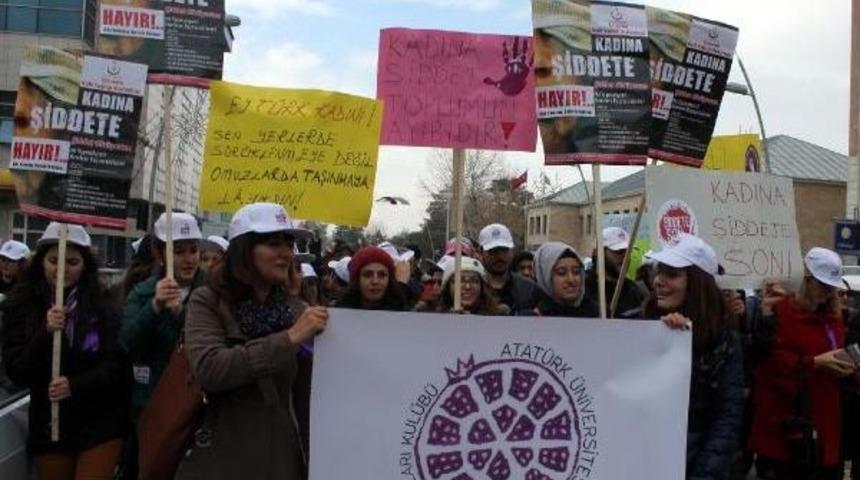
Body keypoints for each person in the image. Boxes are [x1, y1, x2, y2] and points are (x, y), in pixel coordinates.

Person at [175, 202, 328, 479]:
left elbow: (312, 397)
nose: (286, 253)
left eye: (289, 243)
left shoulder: (296, 309)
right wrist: (288, 339)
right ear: (244, 250)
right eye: (273, 243)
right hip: (223, 457)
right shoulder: (208, 301)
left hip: (281, 460)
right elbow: (210, 369)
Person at [1, 223, 127, 480]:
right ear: (41, 262)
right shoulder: (21, 305)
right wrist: (45, 334)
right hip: (51, 426)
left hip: (99, 423)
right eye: (53, 261)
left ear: (85, 266)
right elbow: (17, 371)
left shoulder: (103, 305)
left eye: (72, 262)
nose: (61, 269)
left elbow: (116, 365)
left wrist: (75, 385)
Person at [643, 233, 745, 480]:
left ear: (697, 284)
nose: (658, 281)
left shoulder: (724, 340)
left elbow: (726, 418)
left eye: (671, 274)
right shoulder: (640, 323)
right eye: (659, 272)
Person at [749, 248, 855, 480]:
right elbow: (770, 364)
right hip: (785, 430)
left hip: (825, 428)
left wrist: (848, 369)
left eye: (831, 288)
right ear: (806, 281)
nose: (828, 293)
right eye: (823, 286)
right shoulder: (779, 311)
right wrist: (815, 363)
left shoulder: (834, 318)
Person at [119, 212, 205, 478]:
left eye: (193, 250)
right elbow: (126, 343)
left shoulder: (212, 291)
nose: (189, 259)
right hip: (150, 402)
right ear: (160, 253)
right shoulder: (143, 292)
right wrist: (154, 307)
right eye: (179, 251)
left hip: (195, 404)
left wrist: (182, 315)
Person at [477, 224, 538, 313]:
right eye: (493, 251)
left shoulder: (528, 289)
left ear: (512, 251)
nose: (499, 256)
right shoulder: (472, 290)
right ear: (480, 252)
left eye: (504, 250)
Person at [585, 227, 644, 317]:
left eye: (628, 252)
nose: (625, 258)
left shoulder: (634, 290)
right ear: (597, 253)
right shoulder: (582, 288)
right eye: (619, 252)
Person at [530, 242, 598, 317]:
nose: (571, 280)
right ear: (545, 277)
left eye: (576, 272)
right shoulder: (530, 318)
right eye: (561, 273)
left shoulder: (597, 314)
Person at [422, 256, 508, 315]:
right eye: (460, 281)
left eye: (474, 281)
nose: (468, 287)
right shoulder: (430, 317)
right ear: (447, 286)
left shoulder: (498, 316)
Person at [337, 246, 407, 311]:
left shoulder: (405, 311)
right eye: (367, 275)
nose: (375, 281)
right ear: (357, 279)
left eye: (382, 275)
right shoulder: (337, 312)